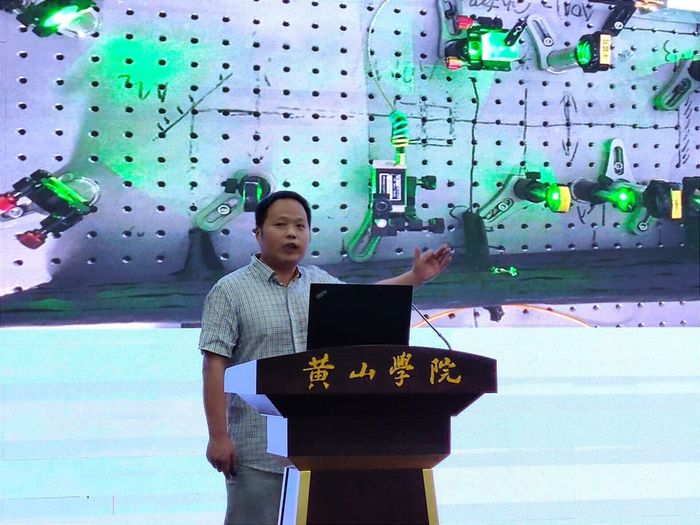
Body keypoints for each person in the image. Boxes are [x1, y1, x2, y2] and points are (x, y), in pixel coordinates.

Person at [199, 190, 452, 525]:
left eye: (300, 226)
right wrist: (218, 436)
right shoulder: (230, 291)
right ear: (258, 233)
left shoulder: (319, 282)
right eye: (281, 225)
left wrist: (415, 278)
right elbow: (214, 366)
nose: (292, 234)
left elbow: (366, 302)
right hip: (257, 452)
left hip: (319, 452)